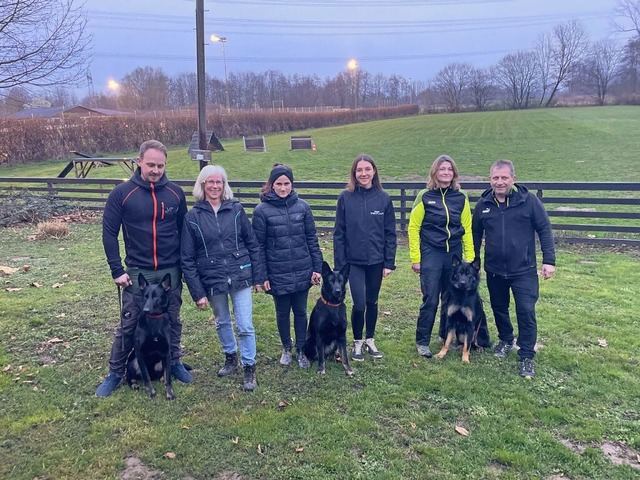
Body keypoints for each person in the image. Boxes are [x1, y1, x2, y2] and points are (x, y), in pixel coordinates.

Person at [96, 139, 193, 398]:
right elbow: (109, 233)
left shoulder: (175, 193)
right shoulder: (122, 193)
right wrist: (117, 269)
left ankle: (174, 363)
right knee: (129, 324)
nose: (155, 170)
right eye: (150, 164)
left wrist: (184, 266)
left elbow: (184, 230)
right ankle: (115, 372)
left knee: (172, 321)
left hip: (170, 270)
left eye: (160, 165)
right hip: (138, 271)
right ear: (138, 161)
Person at [181, 165, 266, 392]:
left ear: (224, 185)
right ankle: (231, 357)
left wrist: (258, 276)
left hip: (240, 274)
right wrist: (198, 292)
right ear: (202, 185)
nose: (215, 186)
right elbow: (187, 258)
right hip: (212, 277)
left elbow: (253, 244)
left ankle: (249, 366)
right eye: (210, 182)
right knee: (222, 321)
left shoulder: (236, 210)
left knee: (245, 325)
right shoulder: (192, 217)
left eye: (219, 182)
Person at [472, 159, 555, 379]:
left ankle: (526, 355)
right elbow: (475, 234)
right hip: (495, 270)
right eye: (495, 178)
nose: (499, 182)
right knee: (499, 308)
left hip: (524, 270)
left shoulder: (529, 202)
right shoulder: (483, 204)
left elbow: (545, 230)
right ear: (490, 180)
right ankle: (506, 340)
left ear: (513, 179)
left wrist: (549, 261)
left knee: (526, 311)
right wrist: (475, 263)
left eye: (504, 178)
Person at [252, 164, 323, 368]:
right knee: (282, 312)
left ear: (292, 184)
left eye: (286, 184)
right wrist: (261, 276)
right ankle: (286, 347)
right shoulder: (261, 211)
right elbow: (258, 247)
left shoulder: (303, 207)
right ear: (271, 185)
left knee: (300, 311)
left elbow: (312, 239)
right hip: (277, 272)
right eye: (278, 184)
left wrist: (316, 268)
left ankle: (301, 349)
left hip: (302, 269)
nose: (283, 188)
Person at [408, 154, 474, 359]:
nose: (446, 172)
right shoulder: (424, 196)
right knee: (430, 299)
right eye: (441, 169)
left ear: (454, 173)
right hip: (431, 253)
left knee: (451, 297)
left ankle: (445, 335)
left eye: (449, 169)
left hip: (453, 253)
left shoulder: (460, 196)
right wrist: (415, 258)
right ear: (434, 172)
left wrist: (470, 256)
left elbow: (467, 227)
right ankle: (422, 341)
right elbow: (413, 227)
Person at [334, 154, 397, 361]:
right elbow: (339, 234)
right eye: (359, 170)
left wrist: (389, 262)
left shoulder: (384, 198)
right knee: (359, 304)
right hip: (353, 263)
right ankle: (357, 342)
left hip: (377, 261)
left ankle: (370, 339)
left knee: (372, 301)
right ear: (354, 173)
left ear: (374, 171)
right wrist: (340, 266)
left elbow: (390, 233)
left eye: (367, 169)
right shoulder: (345, 198)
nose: (363, 173)